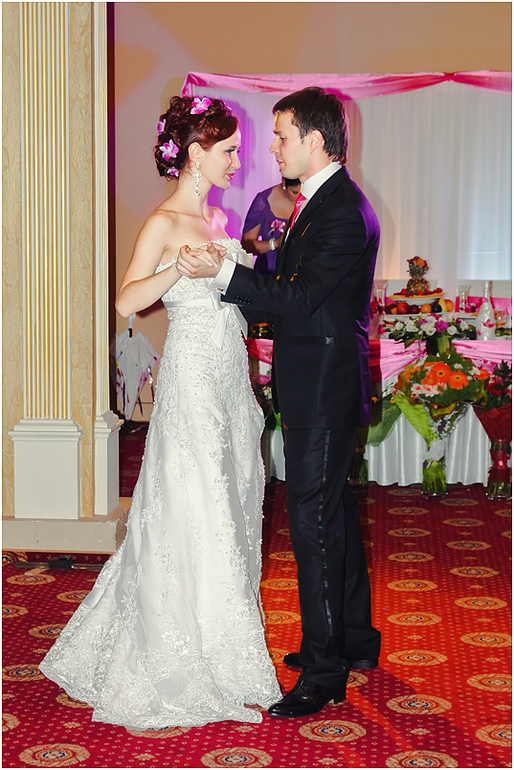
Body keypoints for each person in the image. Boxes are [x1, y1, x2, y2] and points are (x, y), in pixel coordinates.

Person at [39, 95, 282, 729]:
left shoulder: (216, 217)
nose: (238, 160)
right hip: (192, 380)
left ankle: (223, 646)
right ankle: (180, 657)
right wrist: (177, 269)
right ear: (197, 153)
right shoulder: (164, 222)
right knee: (194, 503)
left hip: (228, 376)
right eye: (229, 150)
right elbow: (126, 302)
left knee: (229, 499)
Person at [177, 87, 381, 719]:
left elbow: (297, 300)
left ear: (314, 141)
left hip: (322, 390)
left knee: (313, 524)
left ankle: (323, 671)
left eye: (281, 136)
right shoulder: (319, 202)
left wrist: (221, 275)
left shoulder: (340, 211)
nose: (272, 147)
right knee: (332, 512)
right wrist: (236, 267)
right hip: (319, 384)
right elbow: (287, 283)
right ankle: (353, 639)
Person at [242, 177, 301, 274]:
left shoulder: (310, 199)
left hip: (301, 269)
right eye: (295, 192)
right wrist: (276, 243)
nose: (300, 197)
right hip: (269, 269)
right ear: (284, 183)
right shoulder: (264, 201)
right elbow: (247, 245)